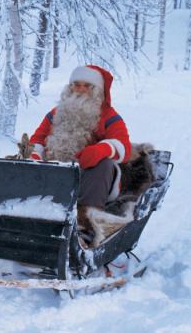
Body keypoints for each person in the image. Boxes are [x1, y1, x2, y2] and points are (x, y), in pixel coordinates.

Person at [28, 65, 131, 244]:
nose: (81, 90)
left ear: (96, 90)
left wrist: (103, 148)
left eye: (87, 86)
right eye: (77, 85)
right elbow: (37, 139)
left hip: (90, 178)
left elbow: (124, 146)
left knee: (104, 164)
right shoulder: (55, 114)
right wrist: (35, 154)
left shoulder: (108, 116)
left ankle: (85, 226)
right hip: (56, 173)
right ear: (70, 87)